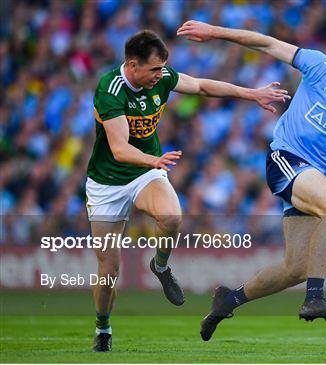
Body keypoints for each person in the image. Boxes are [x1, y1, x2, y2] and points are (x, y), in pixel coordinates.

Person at [177, 21, 326, 341]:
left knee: (296, 267)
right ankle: (314, 298)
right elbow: (267, 43)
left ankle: (230, 299)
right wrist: (215, 32)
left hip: (313, 175)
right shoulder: (322, 67)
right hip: (285, 158)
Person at [87, 29, 290, 352]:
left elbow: (201, 86)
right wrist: (154, 158)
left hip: (145, 172)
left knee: (172, 217)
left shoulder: (162, 77)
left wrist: (251, 94)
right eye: (154, 69)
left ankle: (161, 266)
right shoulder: (110, 90)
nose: (160, 75)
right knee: (109, 270)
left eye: (162, 69)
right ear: (132, 64)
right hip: (107, 183)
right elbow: (119, 149)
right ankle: (103, 327)